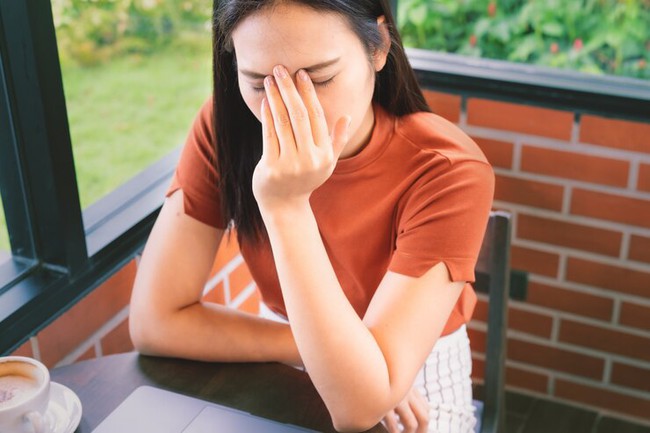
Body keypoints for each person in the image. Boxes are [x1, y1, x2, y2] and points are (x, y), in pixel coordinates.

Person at [129, 1, 494, 432]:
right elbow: (155, 322)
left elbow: (358, 409)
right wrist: (304, 348)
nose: (293, 110)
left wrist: (285, 205)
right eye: (261, 84)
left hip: (415, 362)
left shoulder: (447, 170)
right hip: (281, 344)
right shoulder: (223, 130)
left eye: (320, 78)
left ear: (378, 46)